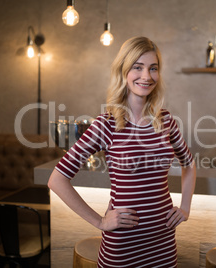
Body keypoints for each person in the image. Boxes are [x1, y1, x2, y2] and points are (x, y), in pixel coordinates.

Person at [48, 36, 196, 267]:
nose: (146, 76)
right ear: (123, 71)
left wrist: (185, 207)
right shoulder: (106, 124)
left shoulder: (166, 120)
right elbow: (57, 179)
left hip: (164, 243)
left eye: (153, 68)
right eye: (138, 67)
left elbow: (189, 163)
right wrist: (99, 222)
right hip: (123, 245)